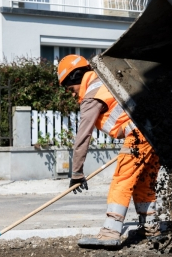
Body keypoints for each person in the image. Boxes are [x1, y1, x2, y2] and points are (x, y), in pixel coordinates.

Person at [57, 54, 160, 247]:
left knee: (122, 179)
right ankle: (151, 227)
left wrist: (77, 173)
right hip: (153, 134)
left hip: (138, 136)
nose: (72, 94)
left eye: (71, 89)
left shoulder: (91, 95)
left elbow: (82, 137)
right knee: (144, 181)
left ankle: (110, 232)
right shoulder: (107, 82)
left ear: (76, 76)